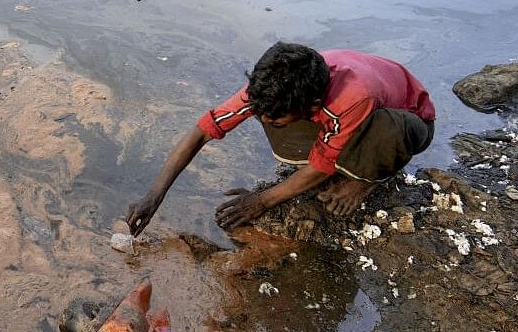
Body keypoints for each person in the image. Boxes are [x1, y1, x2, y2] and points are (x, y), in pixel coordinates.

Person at [126, 42, 436, 235]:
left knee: (382, 132)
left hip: (408, 123)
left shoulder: (353, 97)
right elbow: (202, 131)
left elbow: (321, 166)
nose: (266, 121)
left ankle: (365, 179)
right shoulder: (274, 86)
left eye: (275, 117)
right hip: (334, 118)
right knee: (275, 120)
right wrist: (154, 195)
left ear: (311, 106)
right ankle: (345, 156)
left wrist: (260, 201)